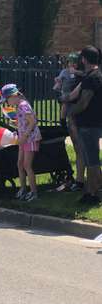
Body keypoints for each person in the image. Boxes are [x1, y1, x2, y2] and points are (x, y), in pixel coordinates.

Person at [67, 46, 102, 205]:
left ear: (84, 59)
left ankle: (92, 194)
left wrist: (71, 111)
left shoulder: (90, 78)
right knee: (92, 159)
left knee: (91, 161)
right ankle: (94, 189)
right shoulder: (98, 75)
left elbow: (83, 103)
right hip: (97, 122)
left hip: (88, 124)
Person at [0, 84, 41, 202]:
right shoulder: (18, 106)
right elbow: (24, 121)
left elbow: (33, 122)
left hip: (30, 138)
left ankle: (34, 192)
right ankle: (23, 188)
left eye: (7, 100)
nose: (7, 103)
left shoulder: (23, 106)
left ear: (13, 96)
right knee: (20, 164)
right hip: (23, 138)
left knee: (27, 165)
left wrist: (25, 136)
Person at [56, 53, 85, 191]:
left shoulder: (83, 78)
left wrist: (62, 98)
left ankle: (82, 182)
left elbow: (72, 96)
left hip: (78, 118)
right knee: (83, 151)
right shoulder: (88, 76)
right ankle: (81, 180)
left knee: (81, 151)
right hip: (79, 117)